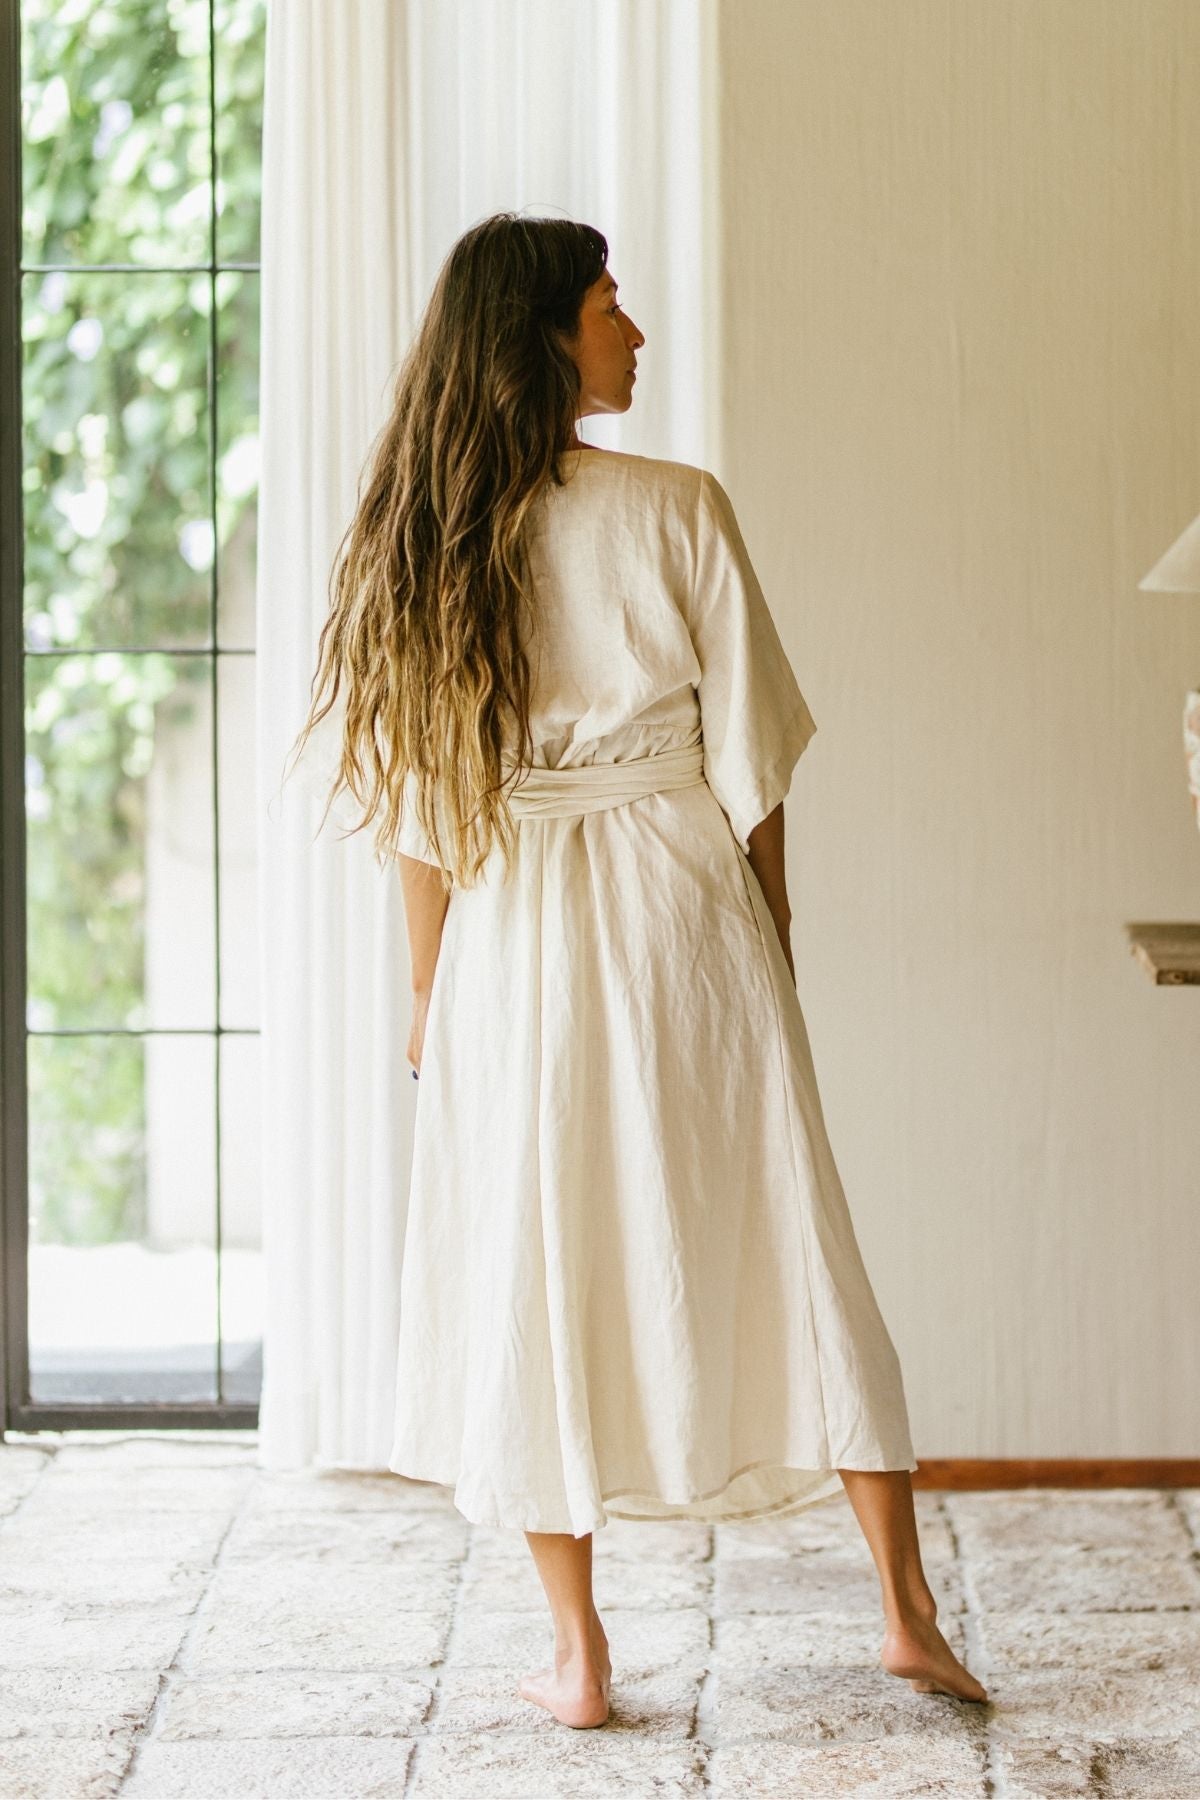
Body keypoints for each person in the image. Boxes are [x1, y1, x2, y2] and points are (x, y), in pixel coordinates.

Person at [291, 212, 987, 1730]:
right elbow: (754, 760)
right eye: (612, 303)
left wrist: (428, 1000)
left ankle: (578, 1655)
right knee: (797, 1229)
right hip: (679, 899)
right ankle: (905, 1610)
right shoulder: (679, 507)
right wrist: (771, 940)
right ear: (546, 330)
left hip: (513, 929)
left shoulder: (419, 538)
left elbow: (422, 814)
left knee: (534, 1252)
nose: (636, 330)